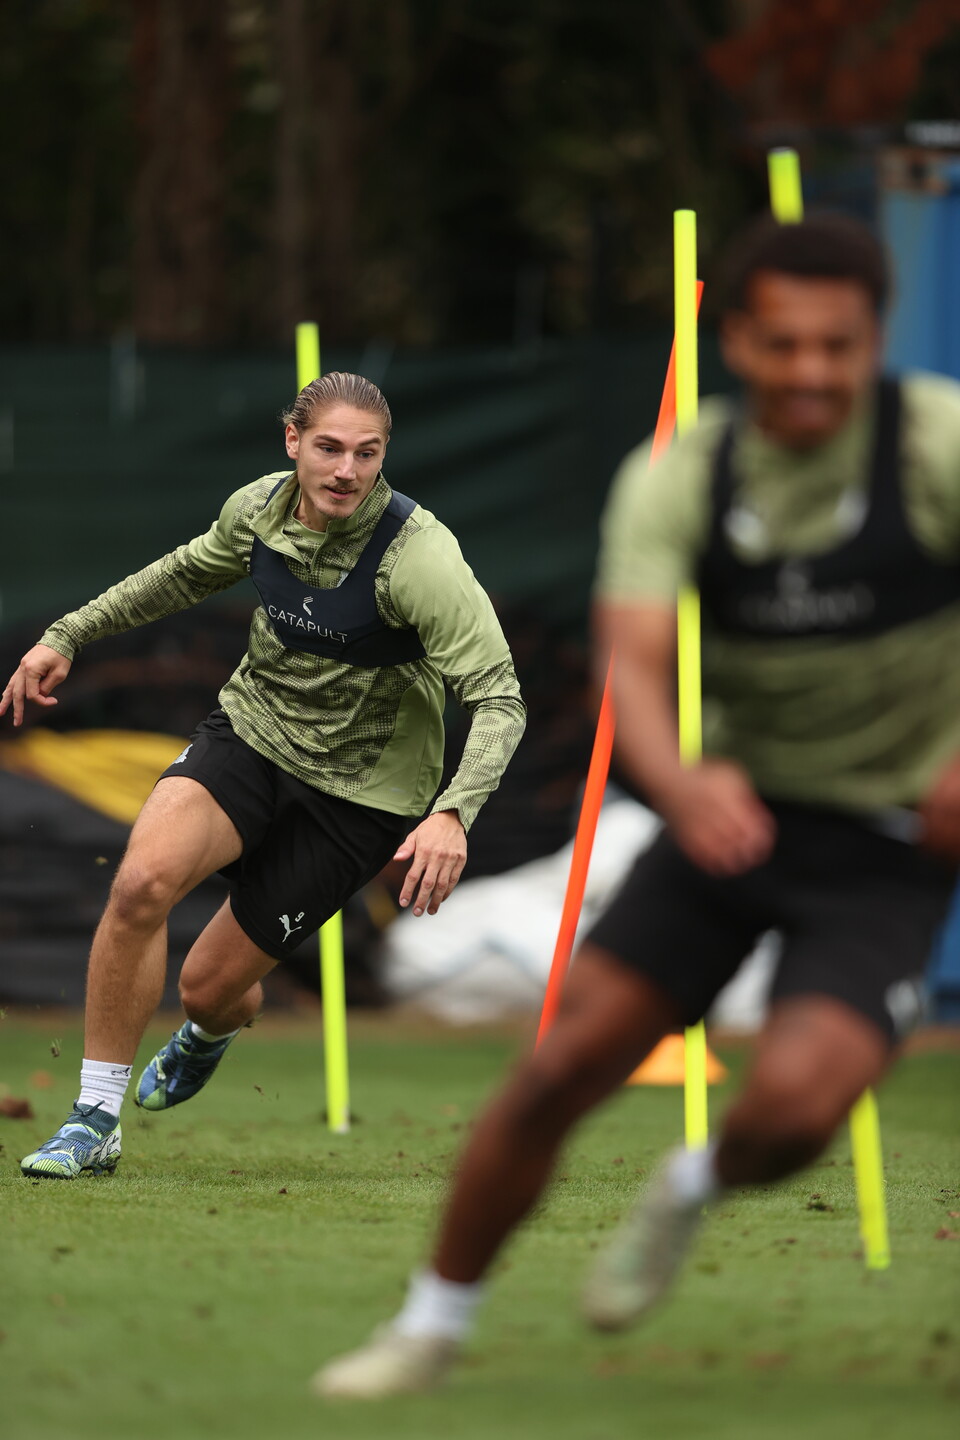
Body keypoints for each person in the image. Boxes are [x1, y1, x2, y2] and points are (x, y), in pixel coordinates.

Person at [316, 214, 960, 1398]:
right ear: (738, 343)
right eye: (784, 346)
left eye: (839, 346)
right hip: (738, 815)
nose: (811, 372)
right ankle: (428, 1327)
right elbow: (636, 664)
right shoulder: (684, 474)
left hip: (892, 841)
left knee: (799, 1107)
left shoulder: (937, 447)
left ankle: (694, 1187)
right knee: (563, 1067)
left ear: (874, 343)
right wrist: (676, 777)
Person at [5, 371, 526, 1180]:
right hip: (251, 736)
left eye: (367, 453)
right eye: (328, 448)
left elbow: (500, 697)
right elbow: (179, 575)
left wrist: (454, 813)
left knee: (209, 989)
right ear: (293, 442)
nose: (347, 471)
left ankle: (207, 1034)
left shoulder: (420, 559)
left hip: (360, 798)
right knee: (141, 883)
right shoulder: (257, 510)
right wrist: (67, 634)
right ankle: (94, 1118)